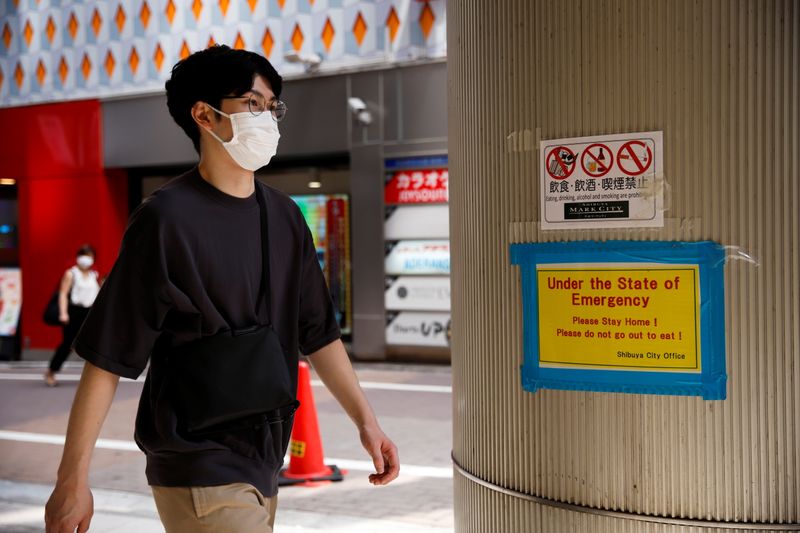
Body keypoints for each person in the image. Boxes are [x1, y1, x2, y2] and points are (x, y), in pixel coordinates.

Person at [44, 45, 399, 533]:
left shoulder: (286, 217)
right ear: (204, 115)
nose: (268, 118)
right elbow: (108, 356)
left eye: (273, 107)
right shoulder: (166, 220)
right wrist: (71, 480)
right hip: (196, 458)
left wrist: (367, 422)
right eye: (253, 104)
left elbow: (318, 332)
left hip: (266, 454)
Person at [44, 245, 100, 387]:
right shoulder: (71, 273)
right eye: (83, 255)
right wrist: (63, 313)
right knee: (68, 344)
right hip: (74, 311)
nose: (86, 258)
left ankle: (93, 377)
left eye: (89, 255)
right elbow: (63, 293)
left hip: (90, 313)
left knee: (95, 343)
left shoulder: (94, 275)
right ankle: (51, 371)